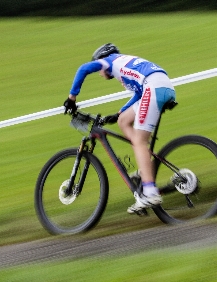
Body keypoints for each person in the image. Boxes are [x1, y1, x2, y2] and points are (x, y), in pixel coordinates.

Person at [64, 43, 176, 214]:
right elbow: (139, 94)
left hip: (153, 88)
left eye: (100, 69)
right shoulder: (124, 63)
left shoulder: (109, 61)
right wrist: (119, 113)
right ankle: (145, 167)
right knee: (124, 121)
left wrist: (71, 98)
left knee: (139, 140)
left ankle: (150, 193)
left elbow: (83, 69)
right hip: (160, 86)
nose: (101, 74)